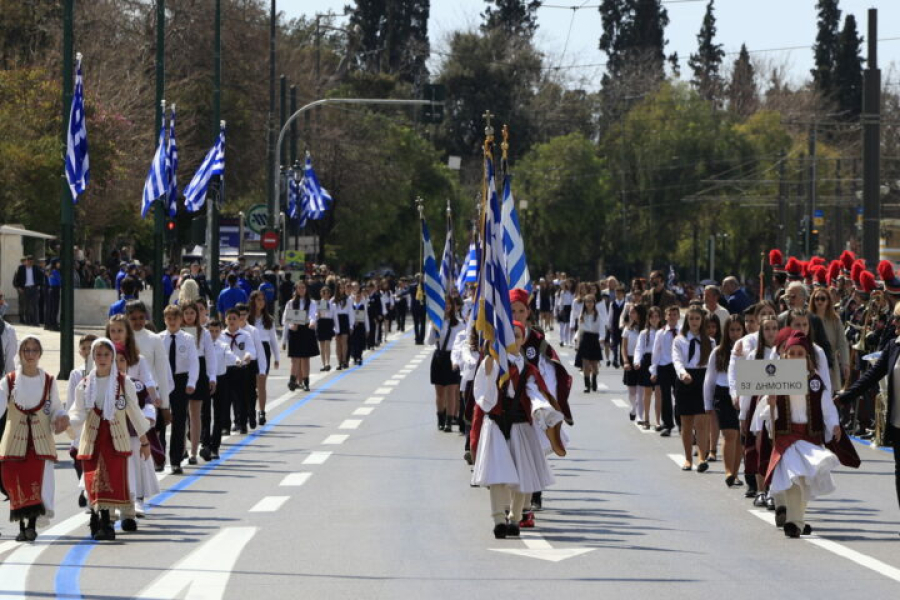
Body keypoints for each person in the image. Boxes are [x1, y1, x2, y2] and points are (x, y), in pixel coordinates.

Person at [470, 321, 563, 539]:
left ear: (522, 340)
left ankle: (515, 517)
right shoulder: (491, 362)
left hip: (521, 425)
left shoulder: (528, 368)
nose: (514, 339)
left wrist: (542, 409)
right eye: (510, 336)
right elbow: (483, 392)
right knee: (497, 474)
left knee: (524, 474)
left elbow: (535, 392)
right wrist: (491, 364)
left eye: (518, 335)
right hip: (496, 424)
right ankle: (498, 519)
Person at [759, 331, 843, 538]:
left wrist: (834, 424)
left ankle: (795, 517)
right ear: (785, 357)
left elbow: (826, 407)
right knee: (793, 476)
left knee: (804, 479)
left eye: (800, 353)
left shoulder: (816, 382)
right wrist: (771, 404)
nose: (796, 357)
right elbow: (767, 412)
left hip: (809, 437)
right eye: (792, 353)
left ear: (806, 358)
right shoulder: (776, 379)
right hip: (787, 437)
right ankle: (793, 522)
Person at [69, 338, 151, 541]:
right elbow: (78, 412)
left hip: (115, 439)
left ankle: (107, 522)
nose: (102, 358)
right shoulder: (85, 384)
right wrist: (66, 423)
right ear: (92, 357)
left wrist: (144, 441)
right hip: (93, 438)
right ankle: (98, 518)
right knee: (94, 480)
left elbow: (133, 412)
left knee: (112, 480)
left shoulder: (123, 382)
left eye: (106, 354)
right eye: (98, 354)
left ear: (113, 357)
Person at [0, 336, 69, 541]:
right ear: (20, 353)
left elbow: (56, 407)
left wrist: (61, 418)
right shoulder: (9, 380)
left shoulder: (48, 380)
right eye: (26, 350)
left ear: (40, 354)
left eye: (34, 350)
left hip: (40, 440)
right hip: (14, 440)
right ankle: (21, 524)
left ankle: (30, 525)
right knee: (15, 481)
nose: (30, 355)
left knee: (37, 482)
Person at [836, 301, 900, 523]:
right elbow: (871, 376)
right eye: (895, 319)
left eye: (899, 320)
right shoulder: (893, 346)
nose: (895, 323)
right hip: (897, 421)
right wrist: (846, 396)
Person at [705, 314, 746, 487]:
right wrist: (707, 403)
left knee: (739, 437)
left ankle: (736, 473)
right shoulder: (718, 352)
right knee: (729, 434)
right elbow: (710, 379)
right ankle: (728, 471)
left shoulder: (749, 350)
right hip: (723, 394)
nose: (735, 333)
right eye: (731, 330)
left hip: (744, 393)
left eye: (738, 330)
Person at [673, 306, 715, 472]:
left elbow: (713, 365)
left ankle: (702, 457)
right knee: (687, 423)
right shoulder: (680, 340)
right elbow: (676, 360)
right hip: (685, 379)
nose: (694, 322)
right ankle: (688, 458)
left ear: (702, 321)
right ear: (687, 320)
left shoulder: (710, 342)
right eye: (691, 319)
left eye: (697, 319)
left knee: (702, 423)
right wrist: (683, 374)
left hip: (702, 379)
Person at [157, 305, 199, 474]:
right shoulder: (158, 338)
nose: (172, 322)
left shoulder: (187, 338)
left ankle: (176, 460)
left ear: (180, 320)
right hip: (163, 381)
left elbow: (194, 362)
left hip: (181, 380)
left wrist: (192, 382)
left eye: (175, 318)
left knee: (180, 420)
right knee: (160, 420)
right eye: (169, 319)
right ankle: (159, 458)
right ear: (164, 320)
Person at [180, 302, 217, 463]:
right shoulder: (177, 332)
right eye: (186, 313)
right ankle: (181, 449)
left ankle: (194, 451)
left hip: (200, 370)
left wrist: (212, 377)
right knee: (180, 415)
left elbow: (210, 357)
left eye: (192, 313)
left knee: (195, 414)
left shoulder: (205, 333)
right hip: (181, 370)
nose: (189, 316)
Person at [201, 318, 242, 461]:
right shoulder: (202, 345)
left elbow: (229, 355)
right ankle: (205, 444)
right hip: (206, 381)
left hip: (221, 380)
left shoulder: (223, 345)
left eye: (216, 331)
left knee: (219, 415)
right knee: (205, 414)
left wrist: (236, 360)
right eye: (211, 331)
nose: (213, 334)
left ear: (220, 331)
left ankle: (215, 447)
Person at [430, 300, 466, 433]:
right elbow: (430, 342)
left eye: (449, 304)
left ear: (453, 307)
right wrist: (434, 330)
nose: (447, 307)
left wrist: (459, 360)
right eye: (444, 304)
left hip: (452, 357)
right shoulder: (436, 322)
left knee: (451, 391)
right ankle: (440, 418)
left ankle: (449, 421)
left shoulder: (459, 324)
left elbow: (463, 343)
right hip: (439, 356)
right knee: (440, 392)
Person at [221, 309, 256, 434]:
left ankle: (242, 423)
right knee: (225, 399)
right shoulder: (220, 335)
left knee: (241, 398)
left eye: (234, 318)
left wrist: (247, 356)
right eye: (229, 318)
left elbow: (251, 350)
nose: (231, 321)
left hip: (240, 369)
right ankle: (225, 425)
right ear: (225, 320)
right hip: (224, 370)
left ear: (239, 320)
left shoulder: (245, 335)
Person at [651, 305, 682, 437]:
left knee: (679, 396)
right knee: (665, 397)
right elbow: (656, 352)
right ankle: (668, 424)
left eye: (675, 315)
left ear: (679, 317)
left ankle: (681, 423)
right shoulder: (661, 332)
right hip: (664, 366)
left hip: (678, 367)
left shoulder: (682, 332)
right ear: (665, 317)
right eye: (670, 315)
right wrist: (654, 370)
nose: (672, 317)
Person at [248, 291, 279, 425]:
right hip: (250, 350)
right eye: (258, 299)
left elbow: (273, 340)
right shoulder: (247, 319)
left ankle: (262, 412)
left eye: (262, 300)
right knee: (250, 385)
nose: (261, 302)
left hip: (264, 350)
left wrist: (277, 357)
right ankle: (249, 412)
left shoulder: (268, 319)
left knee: (261, 383)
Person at [283, 281, 318, 392]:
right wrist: (290, 327)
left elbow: (313, 315)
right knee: (295, 358)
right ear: (296, 289)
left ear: (306, 289)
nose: (301, 290)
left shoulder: (311, 302)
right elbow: (285, 319)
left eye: (303, 287)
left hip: (306, 330)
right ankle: (292, 380)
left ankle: (306, 382)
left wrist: (312, 322)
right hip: (295, 331)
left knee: (305, 358)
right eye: (299, 288)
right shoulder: (290, 303)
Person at [634, 306, 662, 430]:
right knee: (647, 392)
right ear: (648, 318)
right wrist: (637, 361)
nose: (654, 319)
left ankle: (658, 420)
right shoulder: (644, 333)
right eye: (652, 317)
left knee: (659, 393)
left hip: (660, 361)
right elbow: (639, 348)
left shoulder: (663, 332)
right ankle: (646, 418)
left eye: (657, 316)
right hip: (647, 361)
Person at [574, 294, 604, 393]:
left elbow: (601, 328)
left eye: (591, 301)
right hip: (585, 339)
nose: (589, 304)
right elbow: (580, 330)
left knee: (594, 365)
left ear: (594, 303)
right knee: (585, 364)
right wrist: (577, 343)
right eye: (587, 302)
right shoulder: (582, 315)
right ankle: (587, 385)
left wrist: (601, 339)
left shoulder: (598, 315)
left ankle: (594, 380)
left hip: (594, 339)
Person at [622, 304, 646, 420]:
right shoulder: (628, 329)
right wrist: (626, 361)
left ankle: (639, 414)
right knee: (631, 391)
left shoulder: (646, 329)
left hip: (642, 360)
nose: (630, 314)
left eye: (633, 312)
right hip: (630, 360)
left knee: (641, 390)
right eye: (630, 312)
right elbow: (624, 347)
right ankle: (634, 407)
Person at [13, 256, 44, 326]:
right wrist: (19, 287)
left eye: (32, 262)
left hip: (34, 288)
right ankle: (28, 322)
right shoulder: (21, 268)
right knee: (27, 306)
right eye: (29, 262)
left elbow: (41, 276)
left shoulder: (36, 268)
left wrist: (39, 285)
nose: (30, 263)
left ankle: (36, 322)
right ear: (26, 261)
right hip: (25, 289)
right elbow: (17, 279)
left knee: (35, 305)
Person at [316, 285, 336, 371]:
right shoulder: (319, 303)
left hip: (328, 323)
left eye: (327, 293)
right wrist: (318, 314)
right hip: (321, 323)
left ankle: (328, 362)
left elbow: (334, 316)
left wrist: (336, 328)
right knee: (322, 345)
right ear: (321, 294)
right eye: (324, 293)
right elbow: (315, 315)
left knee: (327, 343)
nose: (326, 295)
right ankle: (324, 364)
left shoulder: (332, 304)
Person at [44, 259, 61, 331]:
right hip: (55, 289)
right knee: (54, 308)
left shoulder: (49, 271)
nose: (59, 264)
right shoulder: (55, 271)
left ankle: (48, 324)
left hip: (50, 289)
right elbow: (60, 281)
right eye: (58, 263)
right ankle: (54, 325)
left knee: (50, 308)